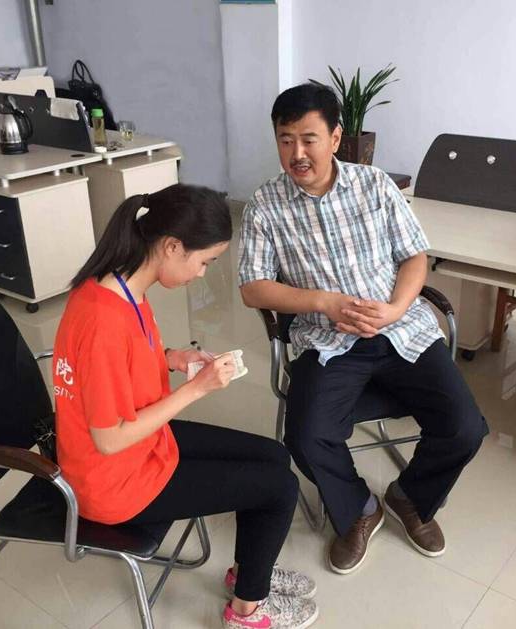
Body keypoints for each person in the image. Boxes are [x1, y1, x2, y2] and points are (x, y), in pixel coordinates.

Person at [238, 84, 488, 575]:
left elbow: (414, 257)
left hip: (401, 330)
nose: (297, 153)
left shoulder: (375, 185)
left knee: (465, 428)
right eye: (285, 140)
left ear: (335, 138)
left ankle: (410, 497)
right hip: (328, 340)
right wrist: (323, 302)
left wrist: (395, 309)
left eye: (309, 139)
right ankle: (358, 509)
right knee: (306, 438)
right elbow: (253, 288)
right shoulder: (265, 205)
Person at [53, 184, 319, 629]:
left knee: (274, 455)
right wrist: (195, 390)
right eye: (205, 261)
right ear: (172, 246)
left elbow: (119, 364)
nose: (202, 273)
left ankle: (249, 574)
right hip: (115, 480)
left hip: (141, 444)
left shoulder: (121, 286)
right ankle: (247, 611)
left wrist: (172, 358)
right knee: (279, 488)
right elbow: (109, 438)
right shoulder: (104, 319)